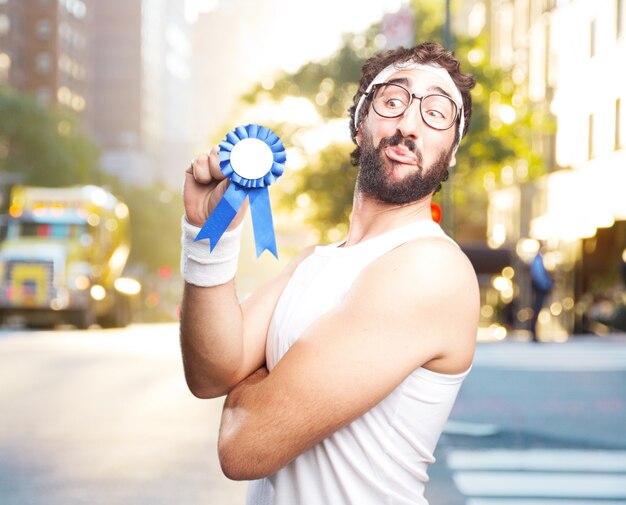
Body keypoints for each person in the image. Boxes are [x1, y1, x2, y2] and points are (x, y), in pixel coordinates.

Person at [180, 42, 479, 505]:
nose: (408, 125)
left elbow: (245, 446)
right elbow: (209, 372)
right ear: (361, 123)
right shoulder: (315, 260)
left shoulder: (430, 268)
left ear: (452, 151)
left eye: (437, 113)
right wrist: (208, 235)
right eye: (393, 101)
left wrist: (260, 374)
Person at [529, 247, 553, 342]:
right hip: (540, 289)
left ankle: (534, 332)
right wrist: (547, 285)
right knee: (537, 310)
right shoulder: (538, 260)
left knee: (537, 310)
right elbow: (538, 276)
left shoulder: (538, 260)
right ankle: (533, 332)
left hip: (540, 288)